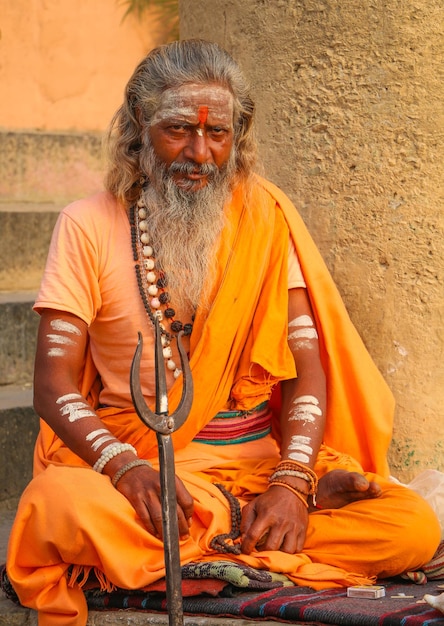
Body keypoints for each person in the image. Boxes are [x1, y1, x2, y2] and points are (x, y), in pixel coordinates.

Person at [6, 39, 440, 626]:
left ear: (239, 136)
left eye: (218, 134)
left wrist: (292, 482)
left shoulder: (264, 217)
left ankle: (225, 537)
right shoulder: (86, 225)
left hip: (260, 470)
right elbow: (53, 386)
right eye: (179, 129)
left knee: (411, 526)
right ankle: (247, 537)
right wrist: (123, 468)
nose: (200, 153)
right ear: (141, 124)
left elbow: (307, 368)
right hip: (145, 473)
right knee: (57, 505)